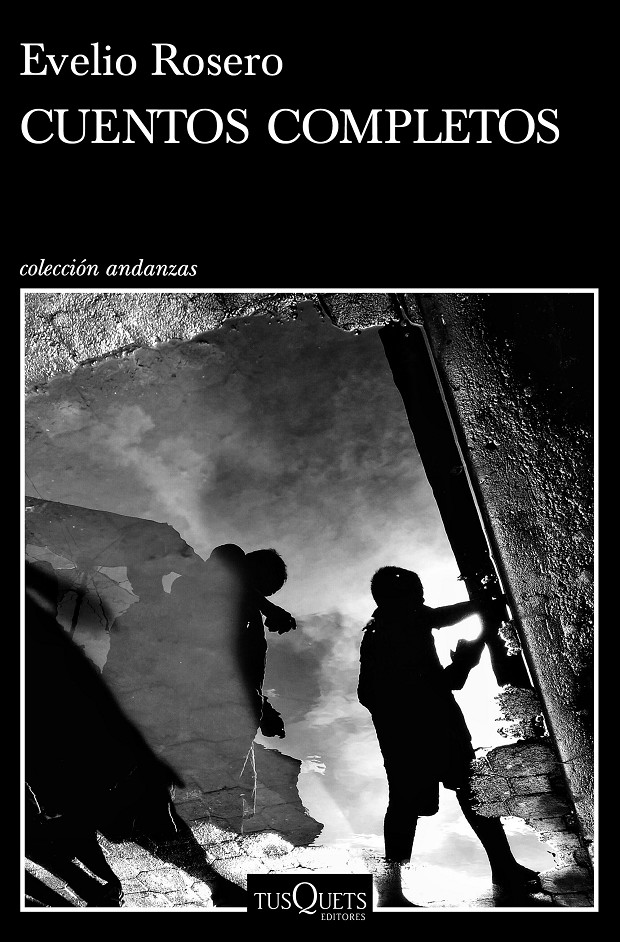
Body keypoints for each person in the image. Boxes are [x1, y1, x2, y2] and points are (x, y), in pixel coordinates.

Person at [357, 566, 540, 904]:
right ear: (398, 598)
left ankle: (500, 867)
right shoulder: (395, 627)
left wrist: (476, 614)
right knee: (432, 798)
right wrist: (468, 653)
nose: (423, 599)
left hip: (410, 726)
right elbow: (437, 674)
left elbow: (441, 623)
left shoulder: (387, 625)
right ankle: (393, 891)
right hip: (418, 726)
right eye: (417, 593)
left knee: (457, 791)